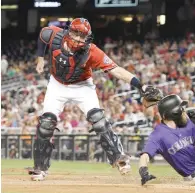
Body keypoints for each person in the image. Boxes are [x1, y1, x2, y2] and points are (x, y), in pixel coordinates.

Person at [27, 18, 161, 181]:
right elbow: (42, 34)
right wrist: (40, 58)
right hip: (57, 84)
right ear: (69, 31)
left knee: (98, 119)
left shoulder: (92, 51)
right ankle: (40, 168)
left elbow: (116, 70)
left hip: (82, 85)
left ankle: (119, 158)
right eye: (76, 33)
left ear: (87, 37)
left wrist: (141, 86)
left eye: (82, 36)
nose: (78, 38)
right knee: (46, 123)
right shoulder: (54, 34)